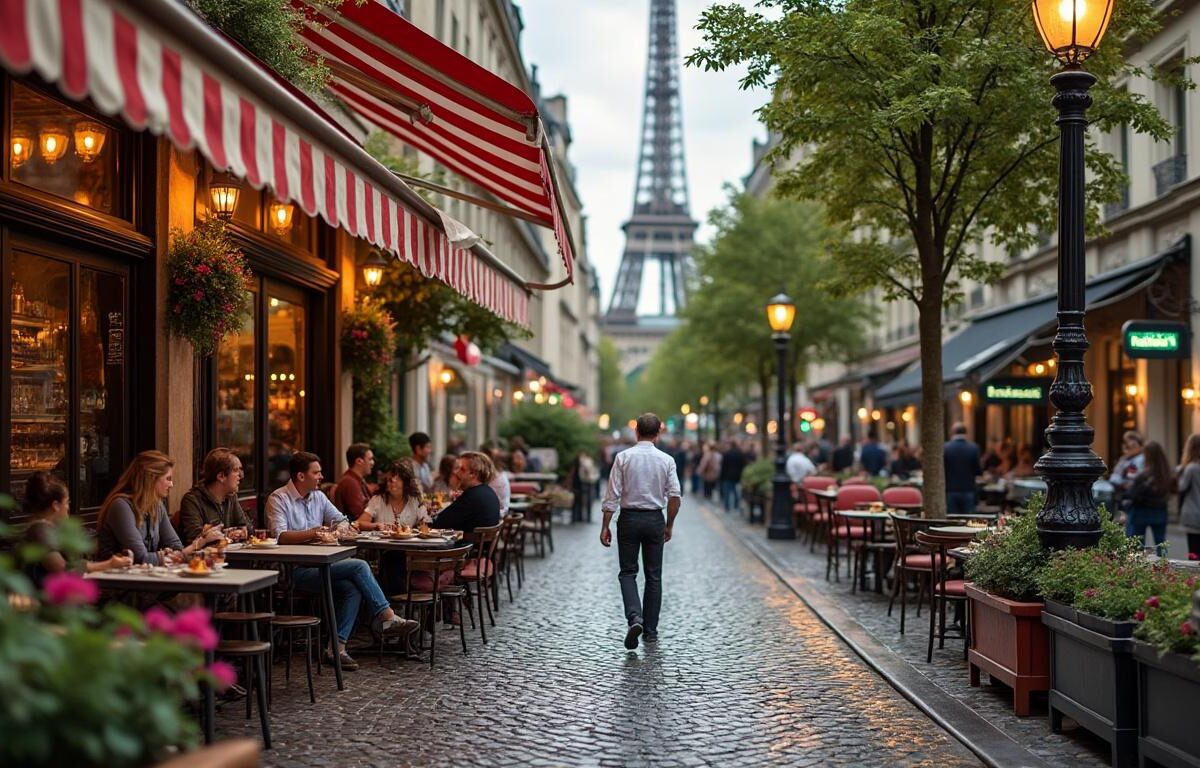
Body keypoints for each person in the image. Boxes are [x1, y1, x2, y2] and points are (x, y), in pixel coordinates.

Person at [267, 451, 417, 669]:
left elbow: (342, 521)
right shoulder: (278, 499)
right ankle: (386, 615)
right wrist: (314, 532)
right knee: (359, 566)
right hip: (293, 572)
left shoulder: (318, 496)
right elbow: (279, 536)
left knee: (351, 588)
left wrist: (339, 529)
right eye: (316, 473)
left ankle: (336, 649)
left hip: (322, 566)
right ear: (301, 476)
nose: (321, 476)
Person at [600, 413, 681, 650]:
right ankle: (651, 632)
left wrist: (605, 525)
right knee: (654, 575)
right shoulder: (667, 460)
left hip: (629, 518)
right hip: (654, 518)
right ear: (658, 433)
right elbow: (675, 496)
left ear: (636, 431)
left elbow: (612, 495)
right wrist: (669, 524)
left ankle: (634, 617)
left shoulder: (623, 457)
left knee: (627, 572)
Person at [96, 451, 224, 565]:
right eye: (168, 479)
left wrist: (168, 554)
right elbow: (140, 557)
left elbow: (176, 547)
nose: (172, 484)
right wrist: (164, 555)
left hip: (148, 579)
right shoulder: (121, 506)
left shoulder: (156, 505)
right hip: (119, 584)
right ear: (151, 479)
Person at [18, 471, 130, 587]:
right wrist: (109, 564)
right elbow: (63, 569)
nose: (68, 508)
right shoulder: (39, 530)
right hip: (43, 601)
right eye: (67, 502)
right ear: (56, 505)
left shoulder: (51, 528)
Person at [178, 448, 251, 544]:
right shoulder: (192, 500)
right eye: (236, 470)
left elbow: (247, 527)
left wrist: (243, 532)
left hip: (231, 555)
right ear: (221, 476)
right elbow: (195, 537)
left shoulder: (231, 497)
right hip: (205, 557)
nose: (241, 476)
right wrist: (228, 534)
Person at [433, 452, 502, 533]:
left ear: (472, 474)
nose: (456, 472)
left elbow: (437, 523)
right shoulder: (489, 492)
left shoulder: (471, 497)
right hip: (482, 545)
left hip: (467, 545)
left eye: (462, 469)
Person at [1123, 440, 1172, 548]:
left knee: (1137, 543)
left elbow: (1133, 494)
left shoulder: (1143, 476)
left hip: (1141, 511)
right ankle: (1163, 563)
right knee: (1161, 543)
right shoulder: (1166, 473)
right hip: (1160, 511)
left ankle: (1138, 563)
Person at [358, 460, 426, 530]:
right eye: (390, 480)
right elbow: (359, 523)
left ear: (406, 483)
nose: (393, 483)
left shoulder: (414, 501)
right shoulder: (378, 500)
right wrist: (377, 525)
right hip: (382, 540)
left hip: (408, 540)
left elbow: (425, 524)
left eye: (398, 479)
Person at [943, 423, 982, 516]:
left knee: (952, 519)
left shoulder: (945, 447)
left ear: (952, 432)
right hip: (968, 489)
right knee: (968, 519)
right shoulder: (974, 448)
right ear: (966, 433)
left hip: (950, 490)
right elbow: (978, 470)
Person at [332, 443, 374, 520]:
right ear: (359, 461)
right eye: (370, 459)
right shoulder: (349, 482)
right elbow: (360, 516)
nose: (372, 463)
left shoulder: (356, 480)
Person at [1177, 434, 1200, 558]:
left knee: (1194, 553)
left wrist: (1180, 471)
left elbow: (1182, 487)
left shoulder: (1191, 468)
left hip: (1193, 513)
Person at [1110, 430, 1145, 498]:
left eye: (1133, 444)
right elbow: (1114, 477)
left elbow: (1130, 481)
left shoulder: (1139, 459)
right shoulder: (1126, 459)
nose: (1126, 446)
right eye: (1125, 443)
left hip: (1132, 496)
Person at [719, 440, 747, 511]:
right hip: (737, 475)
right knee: (735, 490)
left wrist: (721, 476)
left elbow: (723, 466)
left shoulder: (727, 454)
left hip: (727, 475)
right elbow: (743, 465)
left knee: (727, 491)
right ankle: (736, 505)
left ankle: (727, 506)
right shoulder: (740, 454)